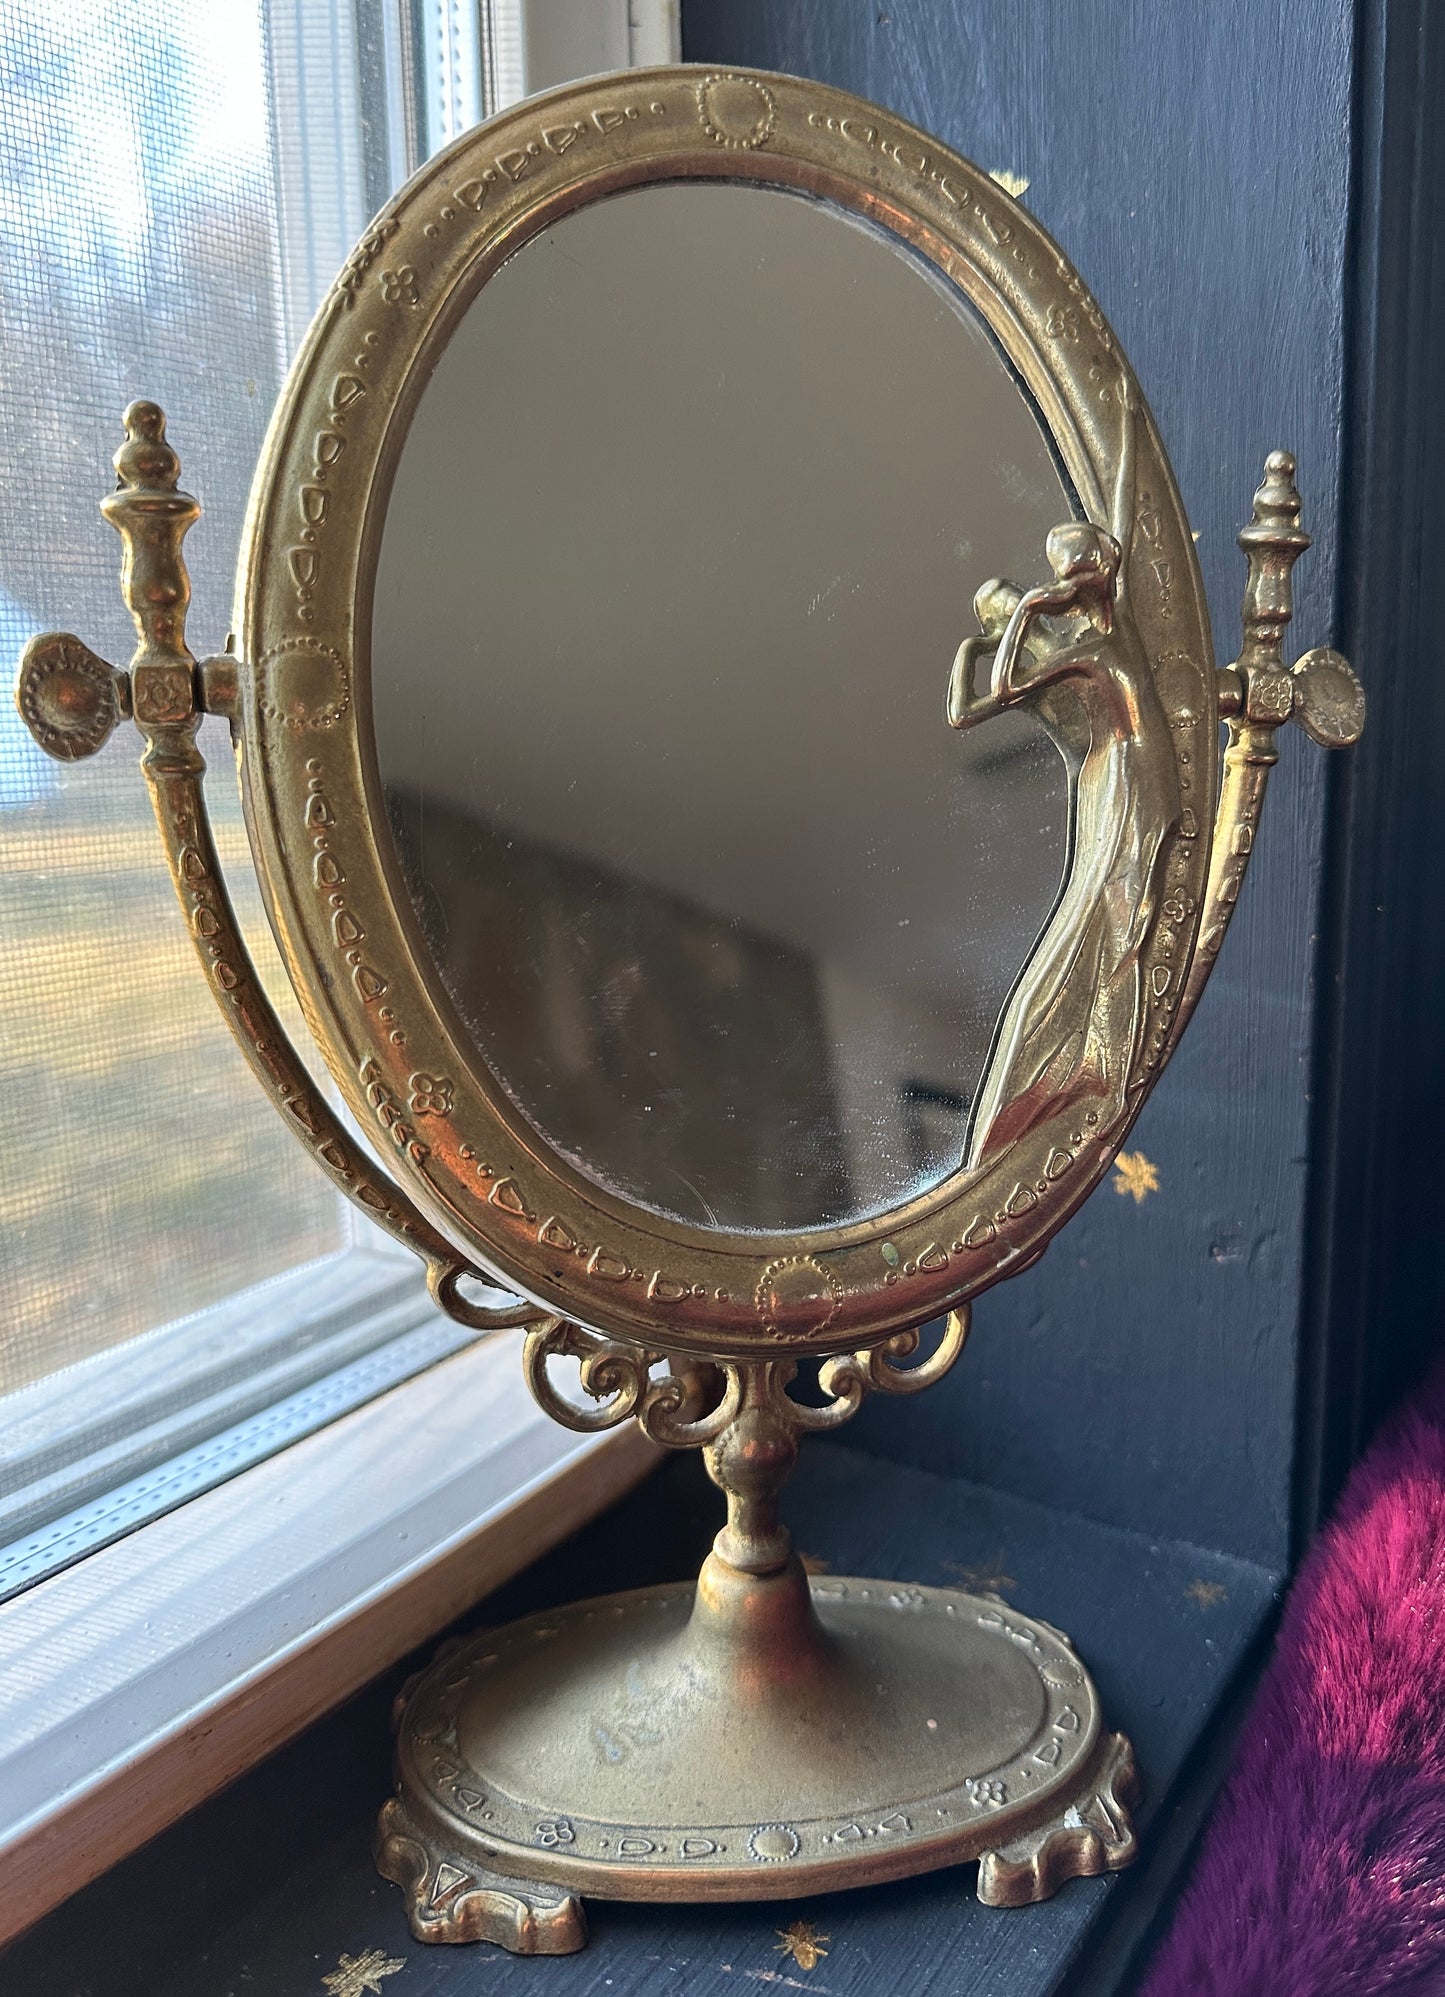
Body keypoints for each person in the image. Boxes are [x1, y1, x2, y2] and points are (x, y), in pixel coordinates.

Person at [946, 519, 1180, 1167]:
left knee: (1118, 921)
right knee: (1093, 922)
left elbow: (1005, 688)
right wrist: (976, 645)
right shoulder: (1076, 647)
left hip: (1136, 777)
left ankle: (1100, 1063)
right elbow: (965, 711)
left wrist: (1025, 611)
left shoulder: (1100, 642)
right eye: (1064, 575)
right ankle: (1071, 1068)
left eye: (1076, 572)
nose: (1068, 587)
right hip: (1104, 776)